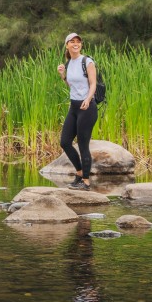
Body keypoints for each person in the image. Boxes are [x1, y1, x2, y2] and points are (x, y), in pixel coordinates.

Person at [56, 32, 99, 190]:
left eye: (78, 42)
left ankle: (86, 182)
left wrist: (88, 99)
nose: (76, 44)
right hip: (74, 107)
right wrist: (63, 76)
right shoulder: (69, 63)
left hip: (87, 107)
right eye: (72, 42)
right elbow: (72, 85)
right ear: (67, 45)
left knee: (83, 145)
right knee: (65, 142)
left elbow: (93, 83)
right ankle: (80, 173)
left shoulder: (87, 61)